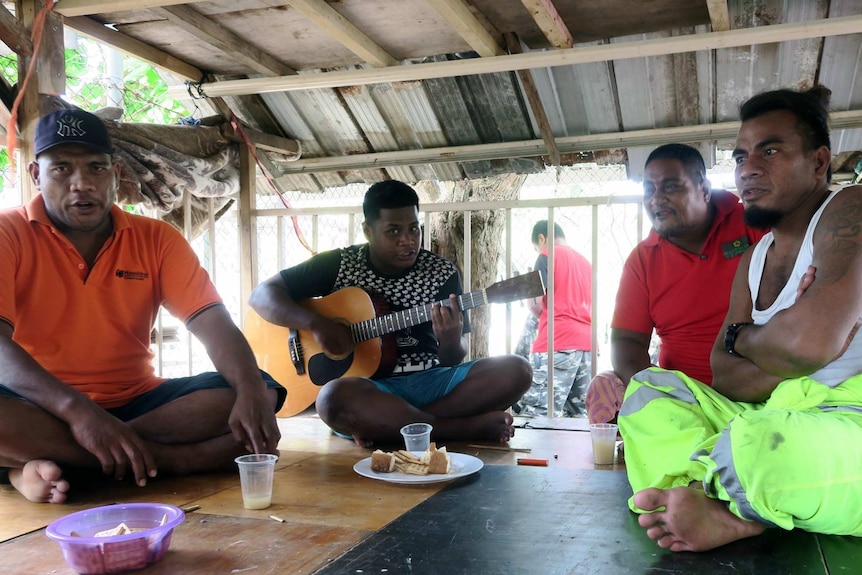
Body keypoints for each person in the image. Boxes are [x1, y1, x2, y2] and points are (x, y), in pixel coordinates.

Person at [0, 108, 286, 504]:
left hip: (137, 401)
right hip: (42, 404)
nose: (81, 184)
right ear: (36, 175)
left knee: (258, 390)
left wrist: (251, 388)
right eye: (61, 169)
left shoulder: (157, 240)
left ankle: (48, 462)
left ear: (116, 175)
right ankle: (172, 461)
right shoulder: (7, 234)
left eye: (96, 168)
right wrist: (81, 414)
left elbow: (212, 323)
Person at [620, 85, 862, 551]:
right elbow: (725, 377)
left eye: (770, 150)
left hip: (844, 418)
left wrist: (745, 337)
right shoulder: (754, 258)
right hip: (766, 413)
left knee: (759, 442)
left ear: (817, 162)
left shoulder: (849, 209)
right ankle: (719, 494)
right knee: (649, 391)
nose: (748, 168)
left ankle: (712, 494)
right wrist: (778, 337)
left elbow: (808, 344)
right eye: (740, 155)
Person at [249, 179, 532, 447]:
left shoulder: (442, 272)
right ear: (368, 231)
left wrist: (449, 340)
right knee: (331, 399)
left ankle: (395, 428)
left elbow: (452, 357)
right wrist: (316, 323)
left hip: (433, 383)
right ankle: (458, 429)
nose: (407, 240)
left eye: (414, 229)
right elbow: (262, 295)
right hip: (372, 391)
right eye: (393, 231)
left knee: (517, 370)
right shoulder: (340, 264)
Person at [585, 143, 765, 424]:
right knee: (604, 386)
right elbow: (627, 341)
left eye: (670, 187)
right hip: (681, 400)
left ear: (704, 190)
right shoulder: (643, 260)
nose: (656, 199)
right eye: (649, 189)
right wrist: (660, 393)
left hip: (760, 391)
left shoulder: (750, 225)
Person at [514, 221, 592, 417]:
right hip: (587, 345)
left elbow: (535, 304)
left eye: (536, 246)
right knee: (578, 416)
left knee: (536, 414)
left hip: (558, 342)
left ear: (542, 238)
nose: (538, 250)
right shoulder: (585, 263)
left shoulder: (546, 256)